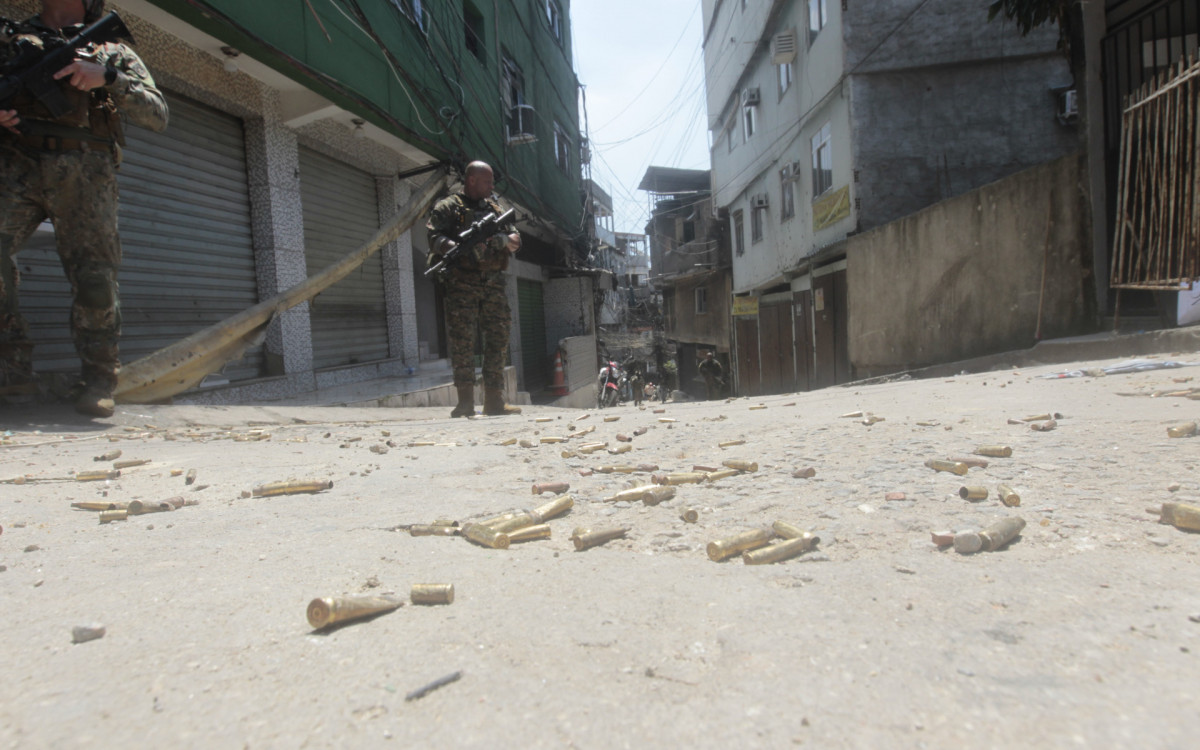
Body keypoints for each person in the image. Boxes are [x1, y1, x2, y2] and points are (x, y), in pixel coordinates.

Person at [0, 0, 168, 417]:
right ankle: (12, 370)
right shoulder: (10, 41)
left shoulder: (111, 49)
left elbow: (158, 114)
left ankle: (97, 379)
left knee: (95, 278)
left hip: (86, 168)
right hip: (16, 162)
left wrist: (107, 77)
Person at [425, 161, 522, 417]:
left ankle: (494, 401)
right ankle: (465, 402)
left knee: (498, 339)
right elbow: (434, 238)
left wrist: (500, 240)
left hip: (493, 284)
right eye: (487, 181)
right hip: (462, 283)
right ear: (471, 181)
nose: (492, 186)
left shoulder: (495, 208)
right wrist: (456, 246)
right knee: (462, 341)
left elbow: (516, 240)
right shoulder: (447, 207)